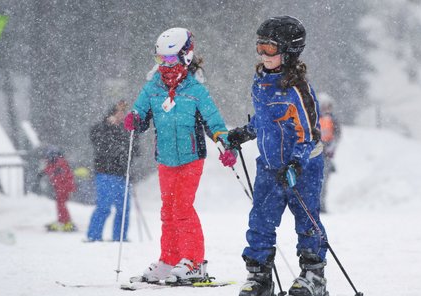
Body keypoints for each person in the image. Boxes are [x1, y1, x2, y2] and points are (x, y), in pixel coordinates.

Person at [124, 27, 237, 284]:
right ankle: (169, 260)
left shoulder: (196, 90)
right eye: (160, 59)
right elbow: (140, 116)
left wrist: (226, 145)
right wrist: (135, 120)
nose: (166, 65)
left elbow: (214, 123)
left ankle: (194, 262)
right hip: (165, 158)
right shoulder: (152, 88)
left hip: (191, 157)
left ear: (187, 56)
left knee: (183, 208)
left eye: (171, 59)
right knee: (168, 211)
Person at [228, 16, 329, 296]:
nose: (262, 54)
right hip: (270, 166)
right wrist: (246, 132)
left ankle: (313, 275)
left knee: (306, 221)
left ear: (289, 51)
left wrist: (296, 162)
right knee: (260, 220)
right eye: (260, 46)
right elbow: (265, 119)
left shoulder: (298, 89)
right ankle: (260, 278)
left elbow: (309, 133)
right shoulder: (261, 81)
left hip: (303, 165)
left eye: (270, 49)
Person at [86, 100, 139, 242]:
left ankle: (120, 237)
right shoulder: (103, 128)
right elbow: (95, 136)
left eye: (123, 112)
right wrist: (107, 124)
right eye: (118, 112)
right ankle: (93, 236)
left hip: (122, 175)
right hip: (105, 173)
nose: (121, 115)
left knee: (124, 210)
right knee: (104, 207)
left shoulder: (127, 130)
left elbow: (135, 150)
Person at [38, 146, 77, 232]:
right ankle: (63, 220)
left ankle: (66, 221)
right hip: (60, 187)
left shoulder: (60, 163)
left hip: (64, 187)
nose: (48, 159)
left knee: (61, 204)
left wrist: (63, 185)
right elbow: (49, 169)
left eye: (49, 157)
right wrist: (43, 172)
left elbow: (63, 174)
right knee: (60, 204)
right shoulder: (53, 163)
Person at [318, 93, 341, 213]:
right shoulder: (314, 118)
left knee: (323, 181)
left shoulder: (333, 120)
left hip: (326, 154)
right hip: (316, 153)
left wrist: (331, 148)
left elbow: (337, 136)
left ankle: (321, 205)